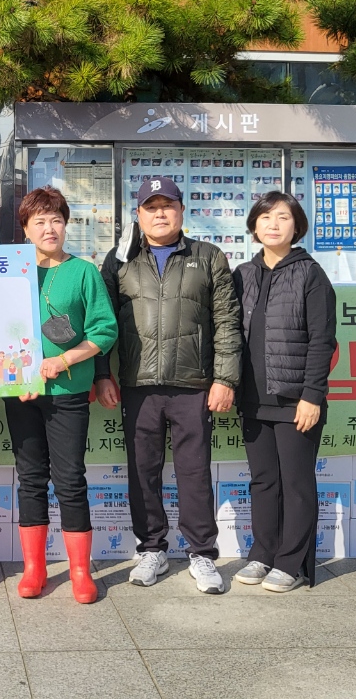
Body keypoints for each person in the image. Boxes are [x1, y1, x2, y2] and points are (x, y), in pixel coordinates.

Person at [100, 177, 241, 595]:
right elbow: (101, 323)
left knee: (194, 471)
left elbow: (227, 322)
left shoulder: (208, 256)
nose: (160, 213)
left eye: (168, 205)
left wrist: (225, 378)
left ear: (181, 211)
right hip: (137, 383)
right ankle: (151, 549)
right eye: (151, 206)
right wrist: (102, 374)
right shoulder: (120, 260)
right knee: (142, 471)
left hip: (193, 383)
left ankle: (202, 553)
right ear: (139, 215)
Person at [9, 186, 118, 604]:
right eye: (39, 221)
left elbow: (104, 330)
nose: (49, 228)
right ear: (25, 229)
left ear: (66, 225)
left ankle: (79, 571)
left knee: (70, 479)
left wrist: (66, 359)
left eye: (56, 220)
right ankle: (34, 568)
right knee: (30, 478)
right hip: (21, 391)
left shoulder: (84, 272)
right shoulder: (11, 271)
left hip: (69, 390)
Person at [231, 191, 336, 593]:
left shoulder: (311, 274)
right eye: (265, 217)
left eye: (283, 217)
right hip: (253, 398)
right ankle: (263, 553)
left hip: (295, 400)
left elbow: (322, 341)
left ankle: (291, 563)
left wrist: (312, 396)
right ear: (254, 226)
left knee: (296, 483)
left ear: (297, 226)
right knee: (263, 481)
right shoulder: (243, 274)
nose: (273, 224)